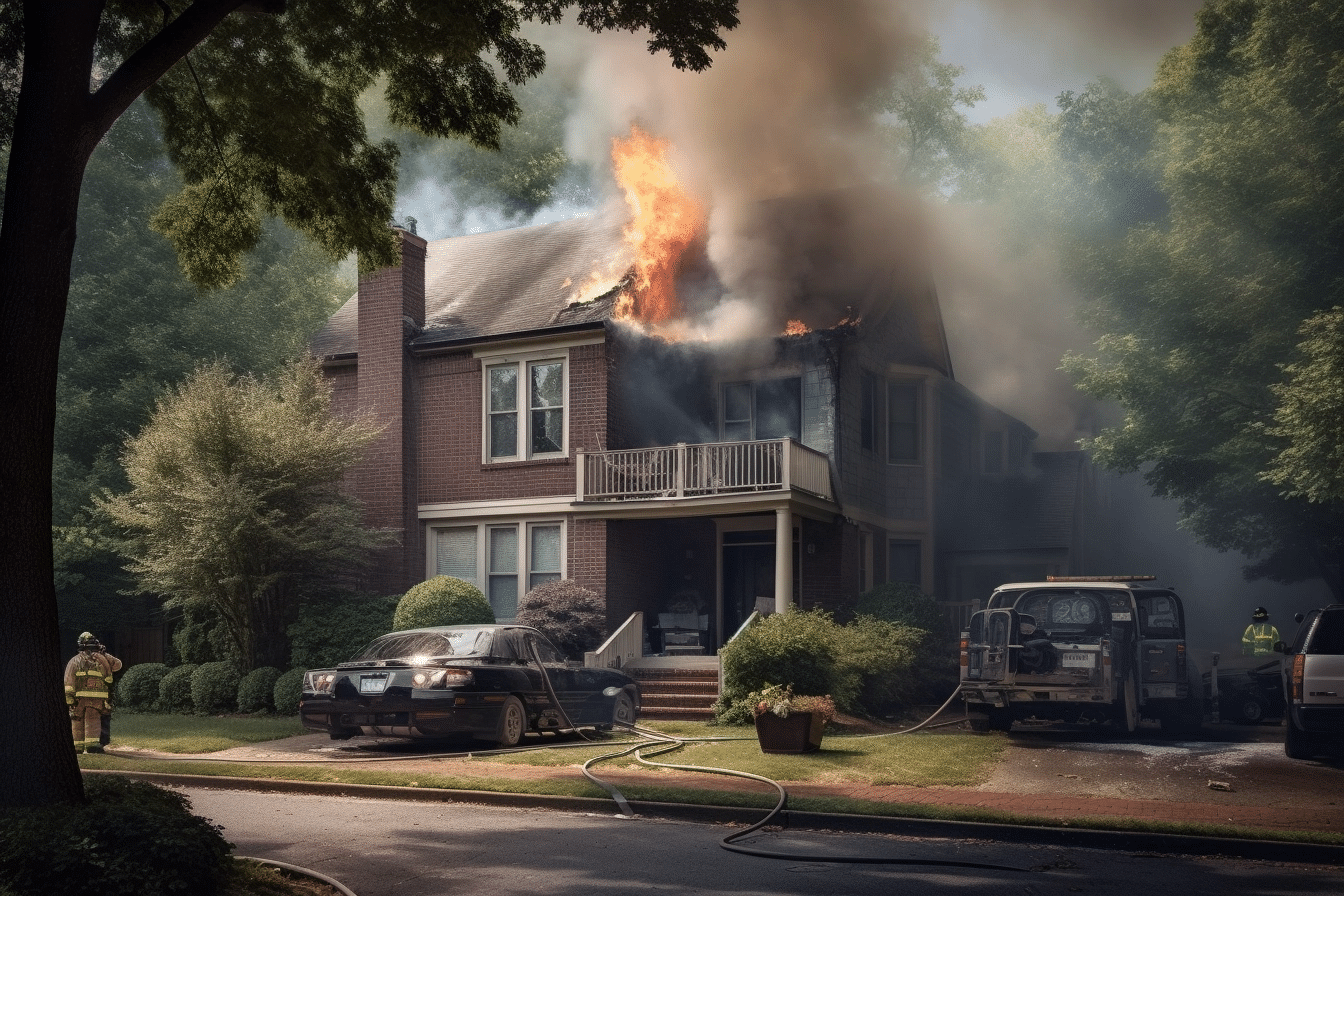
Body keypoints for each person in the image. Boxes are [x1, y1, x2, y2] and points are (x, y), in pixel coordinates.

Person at [63, 631, 121, 754]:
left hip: (78, 700)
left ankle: (77, 747)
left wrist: (69, 698)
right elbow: (117, 665)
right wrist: (104, 654)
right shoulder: (101, 660)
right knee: (93, 720)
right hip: (96, 699)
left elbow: (69, 680)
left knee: (77, 720)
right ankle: (92, 746)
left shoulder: (74, 661)